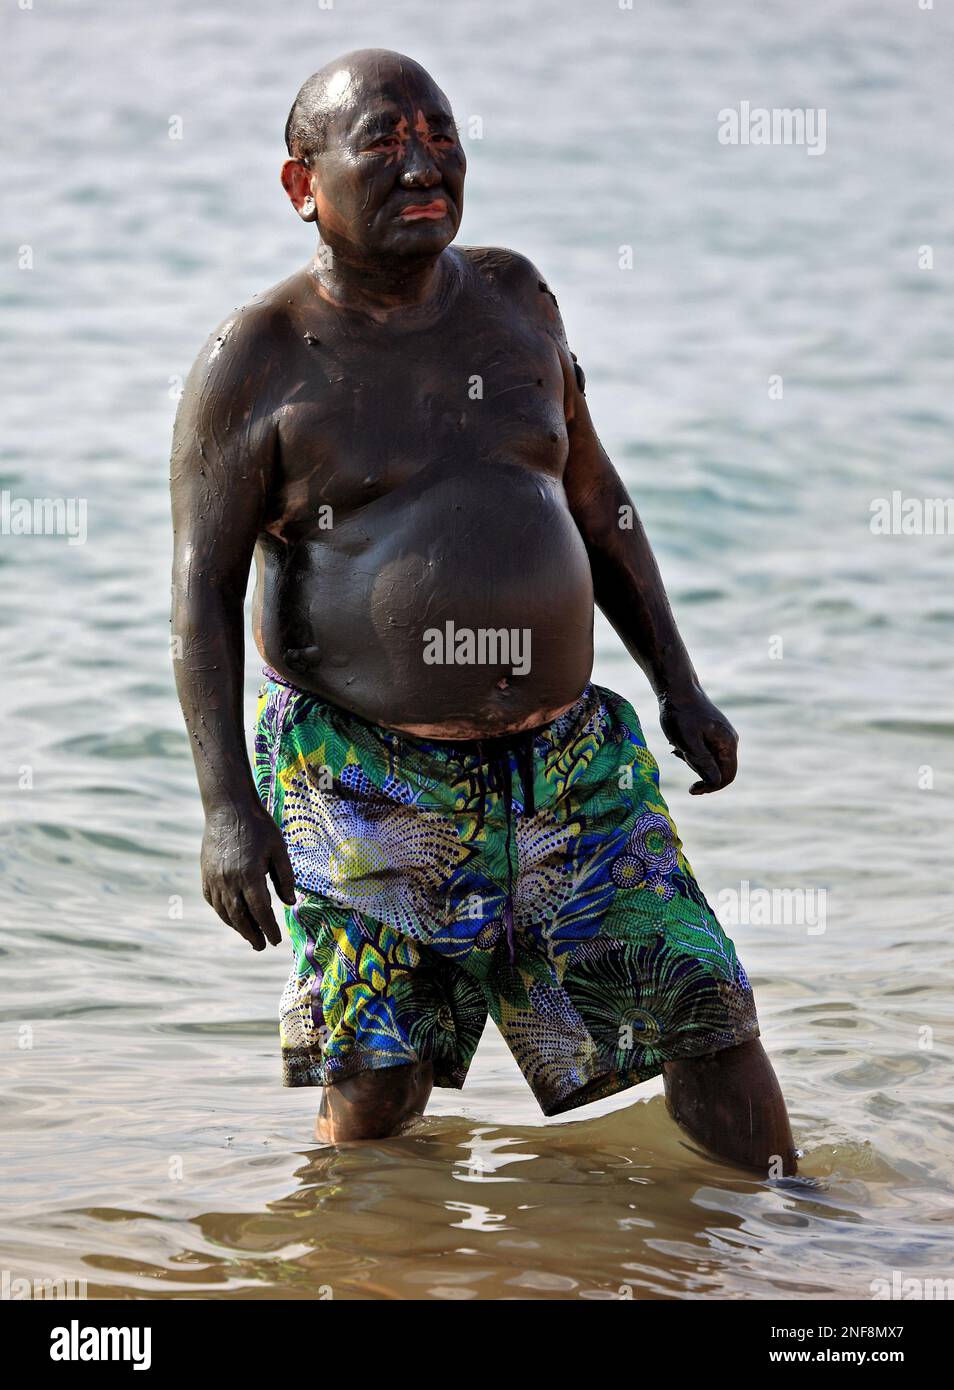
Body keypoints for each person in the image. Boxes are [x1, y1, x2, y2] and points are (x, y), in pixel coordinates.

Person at [170, 48, 796, 1171]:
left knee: (703, 1010)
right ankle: (365, 1272)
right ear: (300, 185)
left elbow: (598, 500)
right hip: (363, 772)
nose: (425, 163)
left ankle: (798, 1246)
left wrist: (680, 684)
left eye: (442, 135)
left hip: (569, 761)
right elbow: (202, 593)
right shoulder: (255, 361)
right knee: (379, 1078)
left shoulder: (516, 298)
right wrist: (225, 806)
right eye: (385, 140)